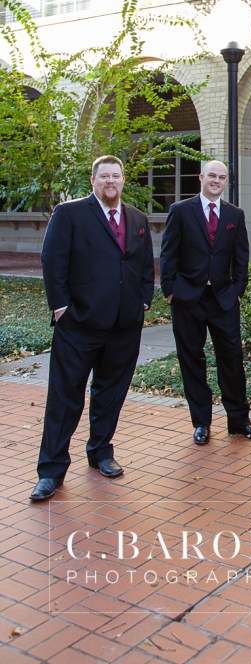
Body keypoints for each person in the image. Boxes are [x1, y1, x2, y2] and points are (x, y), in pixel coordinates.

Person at [30, 155, 155, 501]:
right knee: (64, 398)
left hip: (124, 325)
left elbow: (145, 265)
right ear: (93, 180)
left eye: (116, 176)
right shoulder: (69, 213)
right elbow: (52, 261)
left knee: (110, 393)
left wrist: (143, 301)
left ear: (123, 179)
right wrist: (61, 308)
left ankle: (101, 452)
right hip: (79, 324)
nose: (111, 181)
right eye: (105, 176)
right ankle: (51, 470)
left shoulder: (138, 218)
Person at [160, 160, 251, 444]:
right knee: (192, 360)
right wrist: (170, 290)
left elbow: (241, 257)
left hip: (223, 299)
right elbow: (168, 253)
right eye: (212, 176)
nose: (216, 181)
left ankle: (239, 422)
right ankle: (201, 423)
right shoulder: (180, 211)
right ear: (201, 178)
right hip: (187, 299)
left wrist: (237, 290)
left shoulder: (235, 214)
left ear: (226, 182)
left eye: (221, 177)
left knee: (231, 359)